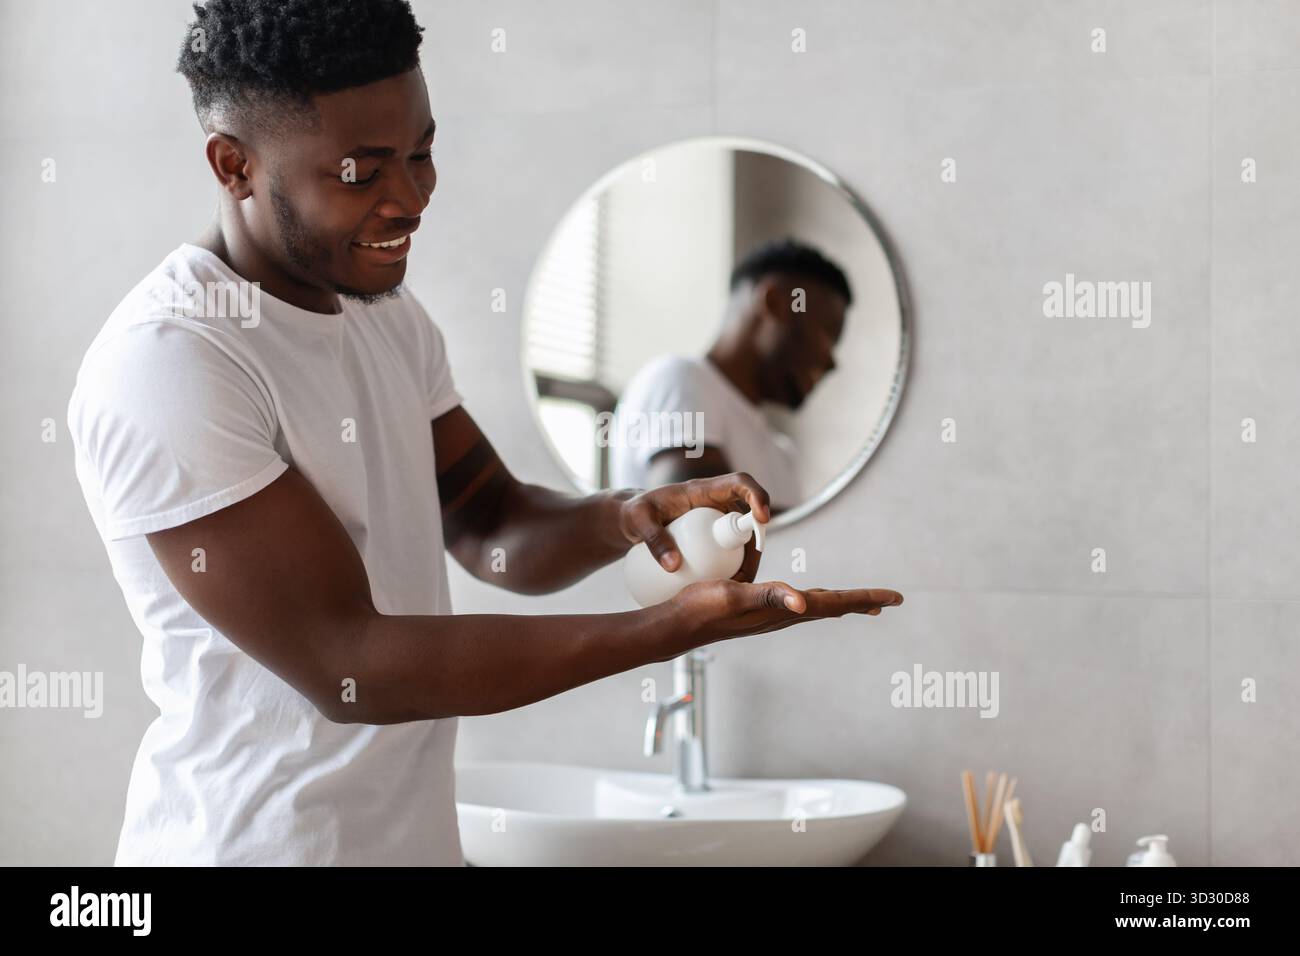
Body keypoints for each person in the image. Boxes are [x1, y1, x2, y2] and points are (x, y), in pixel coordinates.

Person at [66, 0, 901, 866]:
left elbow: (492, 524)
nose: (412, 197)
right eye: (362, 171)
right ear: (234, 165)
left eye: (422, 153)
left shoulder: (385, 317)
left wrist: (627, 516)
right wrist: (671, 631)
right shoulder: (171, 361)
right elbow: (349, 663)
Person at [609, 239, 850, 512]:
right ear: (775, 304)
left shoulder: (782, 455)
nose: (832, 362)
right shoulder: (679, 379)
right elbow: (701, 518)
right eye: (828, 334)